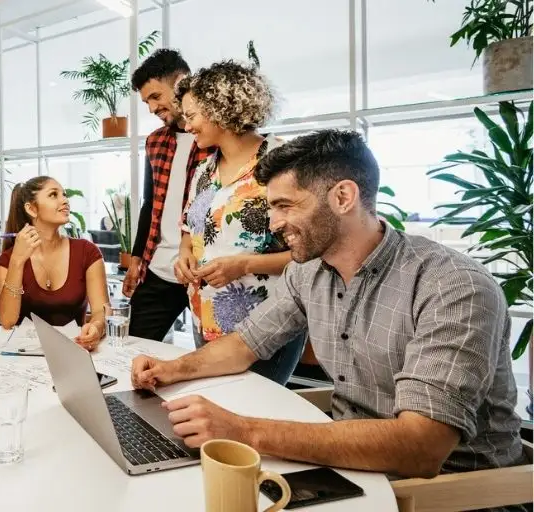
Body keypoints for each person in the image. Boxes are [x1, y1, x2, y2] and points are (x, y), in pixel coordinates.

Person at [131, 129, 526, 486]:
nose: (273, 224)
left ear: (343, 197)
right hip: (353, 469)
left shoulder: (451, 286)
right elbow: (243, 345)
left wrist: (244, 431)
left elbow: (421, 447)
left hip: (446, 491)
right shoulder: (310, 272)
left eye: (286, 206)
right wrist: (170, 369)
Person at [174, 60, 305, 385]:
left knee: (252, 418)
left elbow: (312, 254)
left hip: (265, 323)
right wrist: (184, 254)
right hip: (205, 315)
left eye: (191, 116)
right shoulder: (204, 170)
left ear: (220, 108)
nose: (186, 126)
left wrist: (244, 264)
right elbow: (190, 230)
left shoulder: (285, 162)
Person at [125, 49, 211, 342]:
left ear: (181, 83)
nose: (152, 108)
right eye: (147, 101)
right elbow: (151, 203)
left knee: (211, 357)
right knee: (131, 345)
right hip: (159, 269)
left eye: (155, 96)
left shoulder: (214, 139)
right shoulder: (155, 142)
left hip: (203, 271)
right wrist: (137, 256)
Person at [0, 177, 110, 351]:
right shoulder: (8, 260)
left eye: (64, 195)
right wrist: (17, 261)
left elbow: (101, 311)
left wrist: (96, 327)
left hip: (75, 352)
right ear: (32, 209)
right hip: (23, 358)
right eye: (53, 195)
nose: (64, 200)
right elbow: (7, 320)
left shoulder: (88, 252)